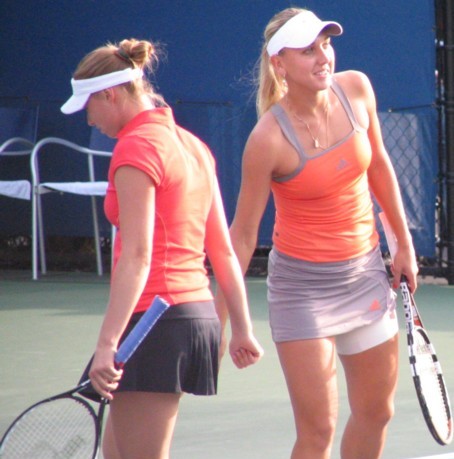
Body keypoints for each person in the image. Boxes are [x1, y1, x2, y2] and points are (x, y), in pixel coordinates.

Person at [215, 8, 418, 459]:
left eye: (325, 44)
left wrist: (402, 243)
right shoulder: (267, 139)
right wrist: (220, 321)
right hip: (302, 291)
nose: (323, 56)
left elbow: (380, 166)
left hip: (365, 273)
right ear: (279, 64)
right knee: (317, 433)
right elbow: (243, 235)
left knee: (376, 413)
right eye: (307, 50)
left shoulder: (357, 88)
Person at [60, 38, 263, 459]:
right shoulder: (192, 146)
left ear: (109, 95)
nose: (89, 120)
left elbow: (137, 255)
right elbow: (222, 250)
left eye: (88, 108)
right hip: (187, 316)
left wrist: (107, 343)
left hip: (156, 322)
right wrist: (241, 326)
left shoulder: (135, 148)